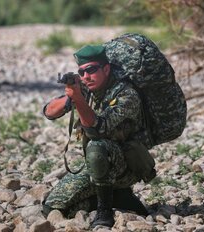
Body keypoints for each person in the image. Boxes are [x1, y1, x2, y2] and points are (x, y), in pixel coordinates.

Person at [43, 45, 155, 228]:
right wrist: (71, 97)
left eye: (92, 70)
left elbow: (97, 129)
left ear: (106, 69)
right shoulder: (86, 89)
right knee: (52, 208)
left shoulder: (126, 94)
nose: (87, 76)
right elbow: (49, 112)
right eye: (82, 72)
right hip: (97, 165)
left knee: (96, 146)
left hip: (126, 165)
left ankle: (104, 210)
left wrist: (78, 99)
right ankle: (120, 199)